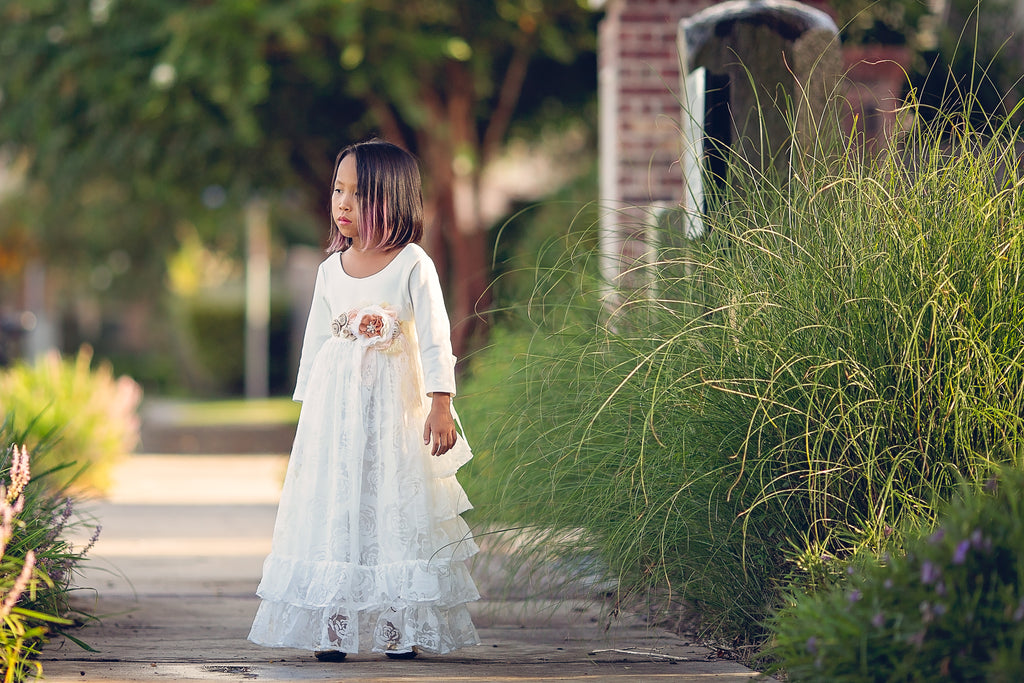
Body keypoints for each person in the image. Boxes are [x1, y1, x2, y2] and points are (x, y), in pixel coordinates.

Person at [248, 139, 480, 661]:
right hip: (340, 414)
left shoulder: (412, 264)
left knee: (392, 504)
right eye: (338, 190)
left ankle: (398, 628)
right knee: (339, 505)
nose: (342, 203)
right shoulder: (331, 269)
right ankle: (334, 628)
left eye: (358, 192)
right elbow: (315, 342)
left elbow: (435, 338)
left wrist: (440, 404)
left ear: (392, 199)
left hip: (396, 412)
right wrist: (310, 411)